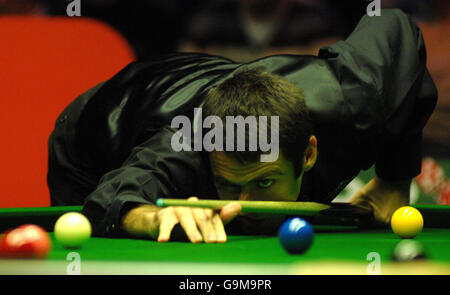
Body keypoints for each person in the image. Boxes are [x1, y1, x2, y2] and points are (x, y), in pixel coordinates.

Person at [47, 9, 437, 243]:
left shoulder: (355, 99)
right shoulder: (189, 142)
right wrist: (151, 217)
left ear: (309, 152)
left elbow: (396, 27)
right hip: (94, 132)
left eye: (264, 182)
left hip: (203, 81)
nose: (245, 206)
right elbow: (114, 195)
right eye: (230, 185)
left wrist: (393, 178)